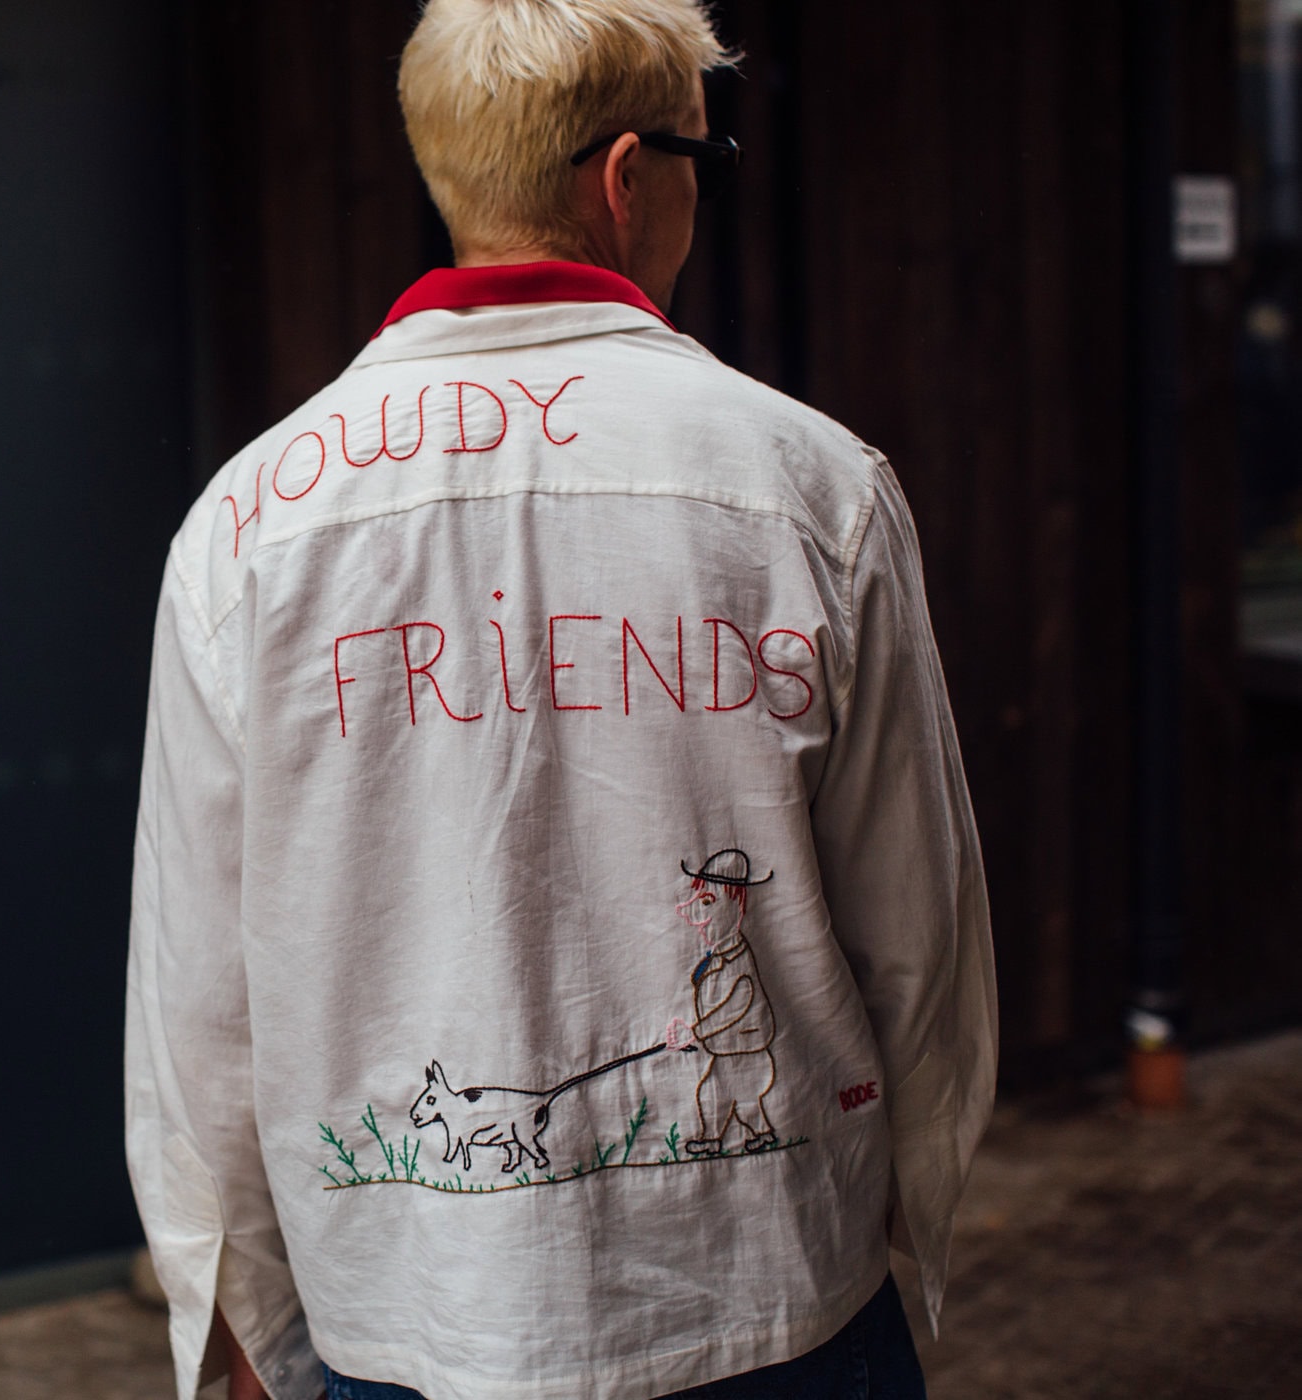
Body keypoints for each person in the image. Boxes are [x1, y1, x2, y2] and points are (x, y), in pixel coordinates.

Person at [124, 1, 997, 1396]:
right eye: (703, 160)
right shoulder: (812, 487)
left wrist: (255, 1336)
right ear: (628, 179)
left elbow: (198, 1009)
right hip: (771, 1304)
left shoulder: (246, 527)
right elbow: (919, 934)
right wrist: (890, 1202)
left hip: (408, 1321)